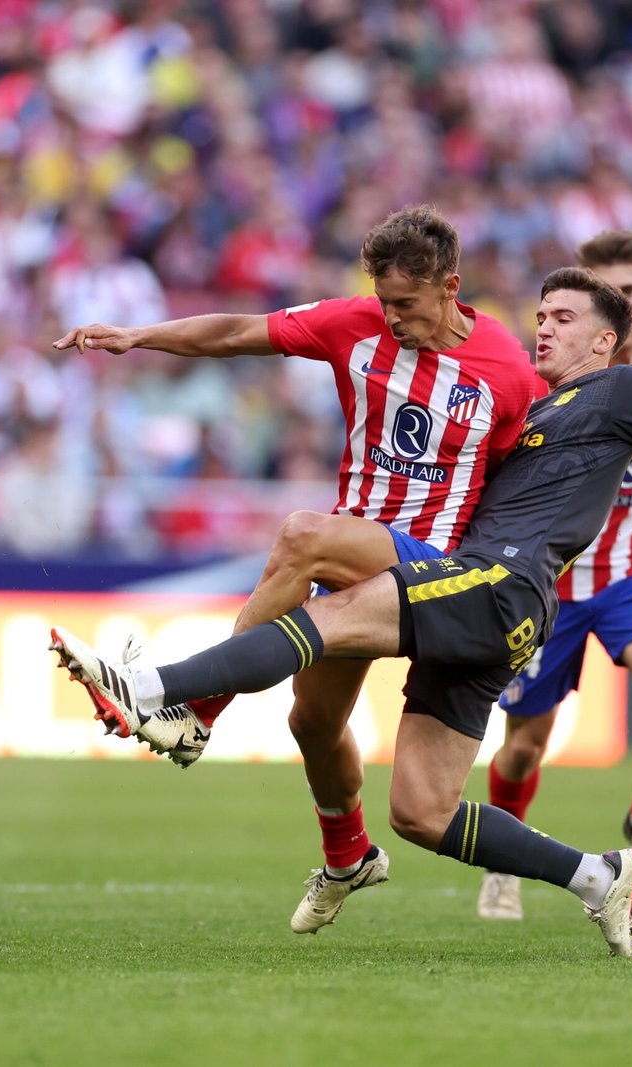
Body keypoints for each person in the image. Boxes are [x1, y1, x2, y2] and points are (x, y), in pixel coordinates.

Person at [50, 267, 632, 956]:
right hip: (494, 608)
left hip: (499, 586)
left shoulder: (627, 390)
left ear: (607, 340)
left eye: (565, 319)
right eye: (540, 315)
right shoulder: (525, 413)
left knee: (322, 615)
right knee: (421, 812)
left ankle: (159, 690)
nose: (544, 328)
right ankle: (597, 875)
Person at [52, 205, 542, 932]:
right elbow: (234, 332)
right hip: (357, 562)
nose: (392, 316)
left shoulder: (506, 368)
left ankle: (197, 711)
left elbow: (525, 487)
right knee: (311, 720)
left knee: (302, 533)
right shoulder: (354, 324)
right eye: (383, 300)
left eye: (406, 303)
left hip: (437, 567)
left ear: (450, 287)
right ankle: (349, 854)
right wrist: (138, 337)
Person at [479, 230, 632, 922]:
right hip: (553, 586)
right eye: (603, 294)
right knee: (524, 745)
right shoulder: (551, 387)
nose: (618, 307)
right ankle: (500, 866)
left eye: (630, 293)